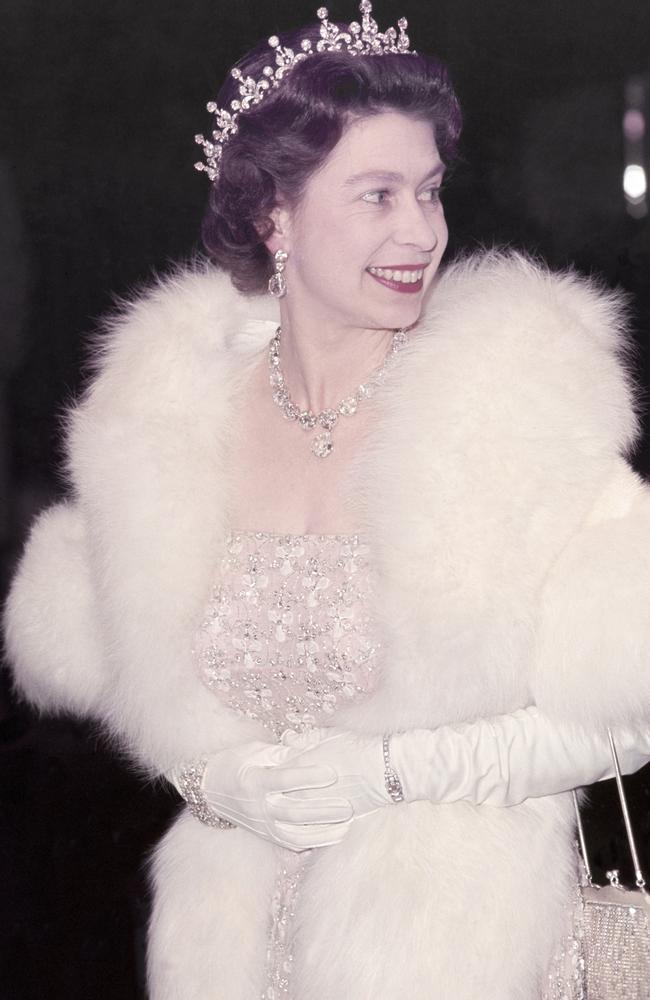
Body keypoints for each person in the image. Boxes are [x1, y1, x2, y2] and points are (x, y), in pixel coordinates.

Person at [4, 3, 650, 998]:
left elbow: (621, 711)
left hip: (454, 948)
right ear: (274, 214)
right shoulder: (167, 426)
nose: (419, 232)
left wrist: (387, 771)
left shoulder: (510, 405)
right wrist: (209, 776)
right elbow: (133, 677)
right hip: (224, 948)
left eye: (428, 193)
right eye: (376, 195)